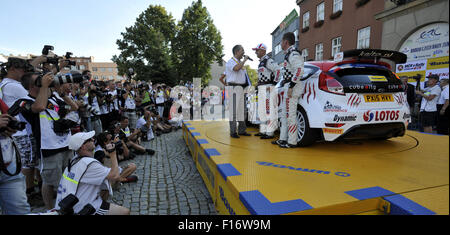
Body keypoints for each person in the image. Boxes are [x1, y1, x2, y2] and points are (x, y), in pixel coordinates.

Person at [19, 71, 77, 210]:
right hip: (49, 148)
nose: (44, 80)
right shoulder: (24, 102)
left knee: (68, 177)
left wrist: (60, 93)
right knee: (49, 181)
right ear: (32, 86)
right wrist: (45, 87)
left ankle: (67, 204)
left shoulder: (52, 99)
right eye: (40, 80)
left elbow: (73, 108)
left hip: (66, 144)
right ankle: (50, 209)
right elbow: (38, 107)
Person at [54, 131, 130, 215]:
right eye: (90, 139)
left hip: (69, 205)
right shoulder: (89, 164)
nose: (93, 139)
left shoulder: (74, 160)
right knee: (125, 212)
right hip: (82, 207)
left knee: (104, 189)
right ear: (83, 146)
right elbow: (115, 175)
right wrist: (113, 153)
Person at [0, 98, 31, 215]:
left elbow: (8, 118)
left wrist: (9, 126)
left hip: (7, 168)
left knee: (20, 211)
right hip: (8, 168)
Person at [275, 32, 304, 148]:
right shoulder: (289, 54)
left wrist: (291, 86)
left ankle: (292, 142)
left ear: (286, 42)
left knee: (290, 115)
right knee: (284, 115)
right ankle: (282, 139)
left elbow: (299, 70)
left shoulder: (293, 54)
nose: (281, 43)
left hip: (292, 87)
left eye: (281, 41)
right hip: (288, 86)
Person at [253, 44, 281, 140]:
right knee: (262, 111)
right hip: (262, 88)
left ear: (263, 51)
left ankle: (270, 133)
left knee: (269, 111)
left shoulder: (268, 60)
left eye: (257, 50)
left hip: (268, 87)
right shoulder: (261, 62)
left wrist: (273, 84)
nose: (256, 52)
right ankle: (263, 131)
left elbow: (278, 70)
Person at [225, 45, 251, 138]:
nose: (244, 52)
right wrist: (244, 61)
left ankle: (242, 130)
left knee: (242, 110)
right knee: (234, 111)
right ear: (236, 52)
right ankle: (233, 132)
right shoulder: (230, 62)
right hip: (233, 87)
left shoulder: (240, 63)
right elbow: (236, 68)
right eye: (242, 50)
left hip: (241, 88)